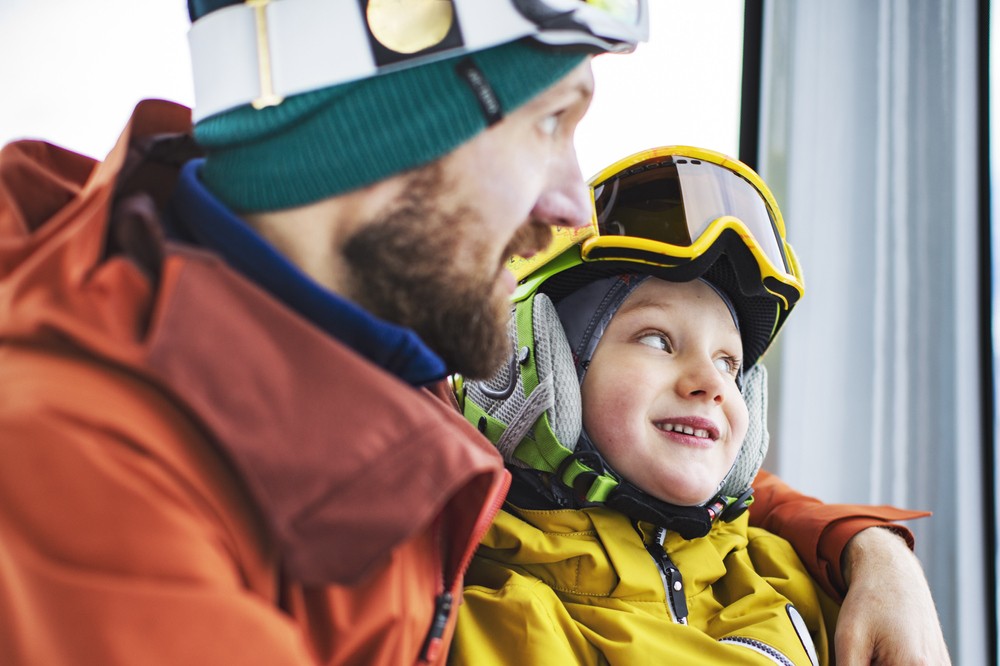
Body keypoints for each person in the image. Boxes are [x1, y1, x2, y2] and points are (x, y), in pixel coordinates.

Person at [0, 2, 946, 665]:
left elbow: (661, 470)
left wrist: (869, 553)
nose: (573, 206)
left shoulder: (382, 358)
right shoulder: (83, 487)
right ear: (397, 127)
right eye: (550, 124)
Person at [451, 146, 947, 665]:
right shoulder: (505, 624)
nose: (709, 382)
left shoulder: (793, 582)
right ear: (537, 365)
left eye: (729, 363)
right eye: (657, 340)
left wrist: (880, 556)